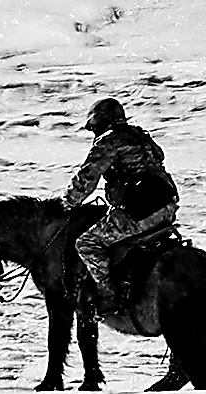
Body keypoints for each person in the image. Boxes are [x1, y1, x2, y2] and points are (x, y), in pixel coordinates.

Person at [65, 97, 179, 310]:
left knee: (87, 243)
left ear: (99, 124)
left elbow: (88, 176)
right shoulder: (140, 136)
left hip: (141, 211)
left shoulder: (108, 141)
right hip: (167, 207)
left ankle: (108, 296)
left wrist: (70, 202)